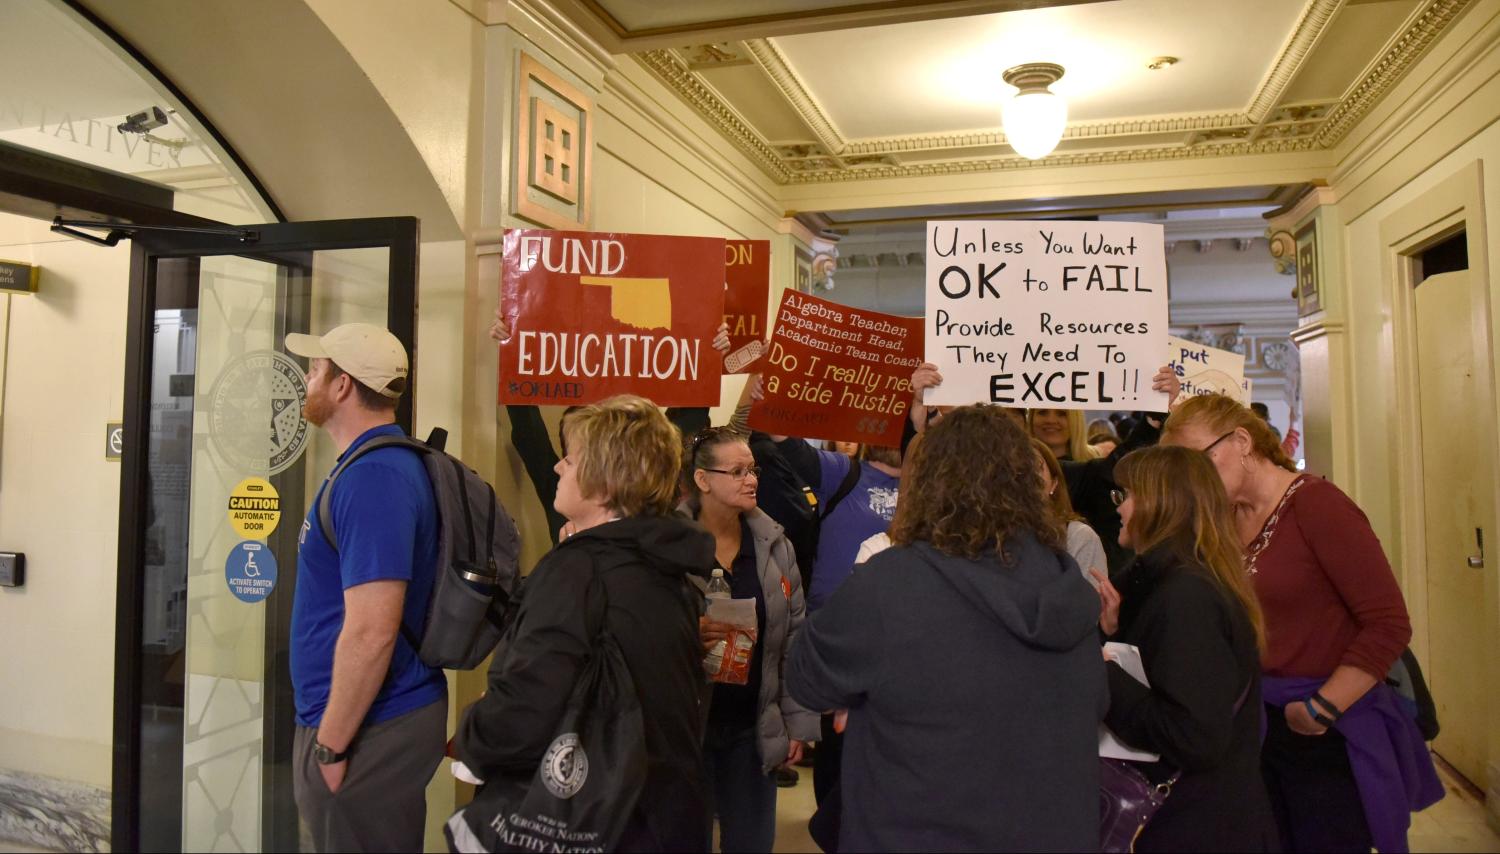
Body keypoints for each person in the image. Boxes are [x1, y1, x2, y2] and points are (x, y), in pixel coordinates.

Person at [786, 405, 1105, 851]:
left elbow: (806, 675)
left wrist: (862, 689)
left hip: (916, 829)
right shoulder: (1064, 579)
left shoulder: (892, 581)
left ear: (928, 484)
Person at [1161, 394, 1442, 853]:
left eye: (1198, 459)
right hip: (1257, 727)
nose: (1193, 478)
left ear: (1242, 441)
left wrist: (1321, 710)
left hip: (1323, 731)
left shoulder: (1318, 506)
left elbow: (1388, 623)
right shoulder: (1226, 517)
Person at [454, 395, 712, 851]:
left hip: (595, 822)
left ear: (604, 483)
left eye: (570, 461)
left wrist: (474, 739)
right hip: (663, 814)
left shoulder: (579, 572)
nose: (557, 469)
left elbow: (528, 701)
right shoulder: (668, 569)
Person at [283, 323, 445, 853]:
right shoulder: (368, 467)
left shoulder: (375, 479)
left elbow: (373, 631)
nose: (306, 378)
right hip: (359, 721)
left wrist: (329, 747)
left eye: (316, 369)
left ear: (342, 385)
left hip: (367, 728)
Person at [1096, 445, 1277, 851]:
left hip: (1198, 825)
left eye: (1126, 495)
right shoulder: (1177, 584)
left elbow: (1192, 735)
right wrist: (1114, 632)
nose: (1120, 508)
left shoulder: (1187, 596)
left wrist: (1100, 669)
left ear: (1163, 504)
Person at [682, 427, 819, 852]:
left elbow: (794, 638)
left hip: (752, 728)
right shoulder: (666, 546)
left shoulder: (775, 545)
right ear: (703, 480)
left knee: (752, 844)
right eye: (738, 471)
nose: (752, 479)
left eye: (753, 470)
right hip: (687, 729)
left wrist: (797, 724)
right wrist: (686, 635)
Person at [910, 363, 1183, 575]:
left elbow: (1116, 468)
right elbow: (930, 469)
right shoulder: (965, 501)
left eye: (1034, 470)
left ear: (1054, 483)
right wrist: (924, 416)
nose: (1051, 420)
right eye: (1043, 412)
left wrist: (1153, 419)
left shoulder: (1078, 506)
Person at [489, 309, 729, 543]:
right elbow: (529, 433)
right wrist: (513, 348)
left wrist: (705, 353)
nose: (562, 465)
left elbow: (681, 428)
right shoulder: (560, 488)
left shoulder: (644, 492)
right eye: (570, 451)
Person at [1032, 439, 1106, 587]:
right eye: (1017, 468)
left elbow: (1088, 606)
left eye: (1037, 467)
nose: (1028, 476)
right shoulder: (990, 538)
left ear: (1054, 483)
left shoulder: (1079, 537)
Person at [1028, 408, 1098, 462]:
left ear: (1076, 420)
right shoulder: (1019, 464)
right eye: (1042, 412)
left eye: (1062, 413)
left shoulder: (1096, 466)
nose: (1050, 420)